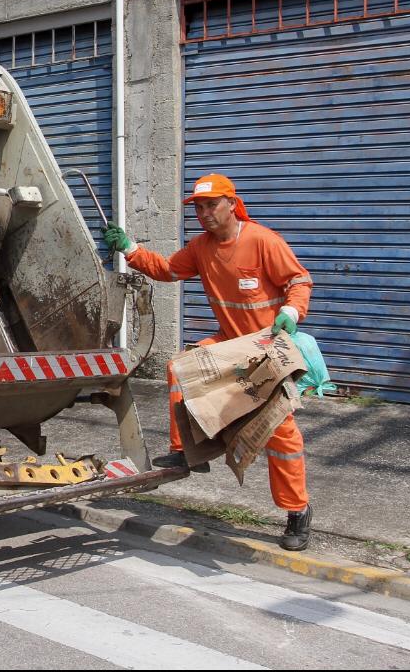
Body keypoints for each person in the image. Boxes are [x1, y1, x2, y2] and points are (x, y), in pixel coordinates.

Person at [102, 173, 315, 551]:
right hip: (230, 344)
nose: (204, 214)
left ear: (232, 204)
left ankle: (297, 512)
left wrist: (292, 312)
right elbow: (167, 270)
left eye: (211, 205)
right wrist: (131, 249)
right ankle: (188, 450)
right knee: (180, 367)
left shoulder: (263, 241)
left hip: (266, 347)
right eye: (198, 208)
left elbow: (298, 281)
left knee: (281, 435)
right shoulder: (200, 248)